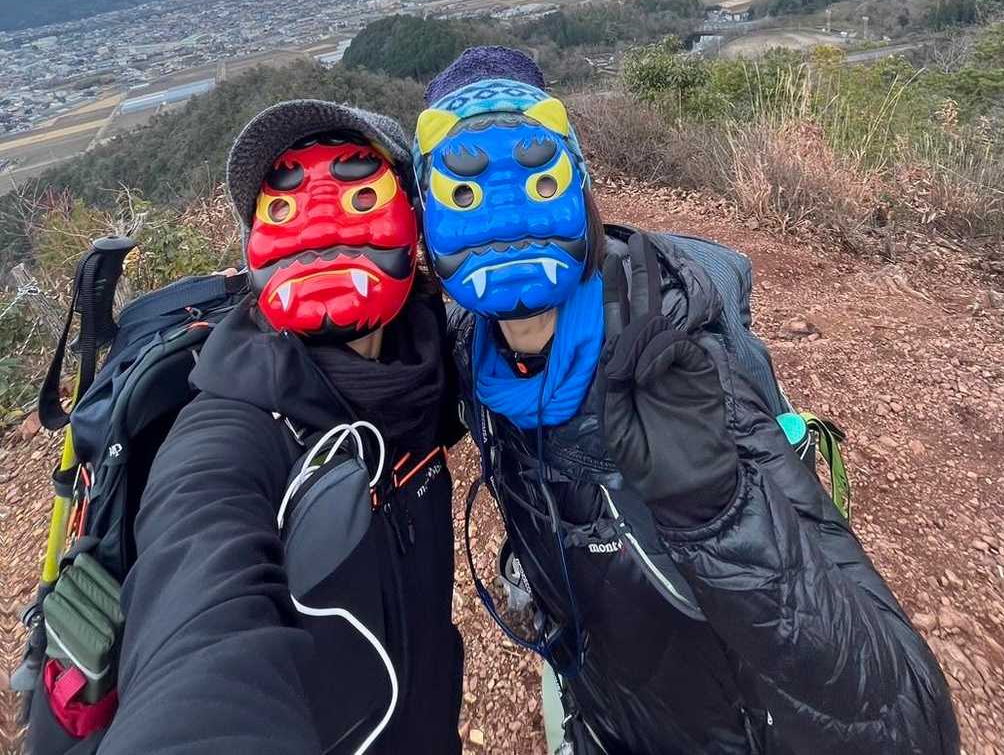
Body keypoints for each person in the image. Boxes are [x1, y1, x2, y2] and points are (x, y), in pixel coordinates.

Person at [413, 48, 960, 755]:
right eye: (466, 192)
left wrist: (718, 512)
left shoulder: (677, 365)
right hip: (604, 707)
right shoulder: (475, 351)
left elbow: (905, 727)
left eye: (532, 175)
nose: (505, 218)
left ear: (575, 182)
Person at [99, 99, 463, 755]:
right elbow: (201, 613)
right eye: (287, 206)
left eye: (358, 196)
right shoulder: (232, 430)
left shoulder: (425, 362)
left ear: (413, 223)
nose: (321, 225)